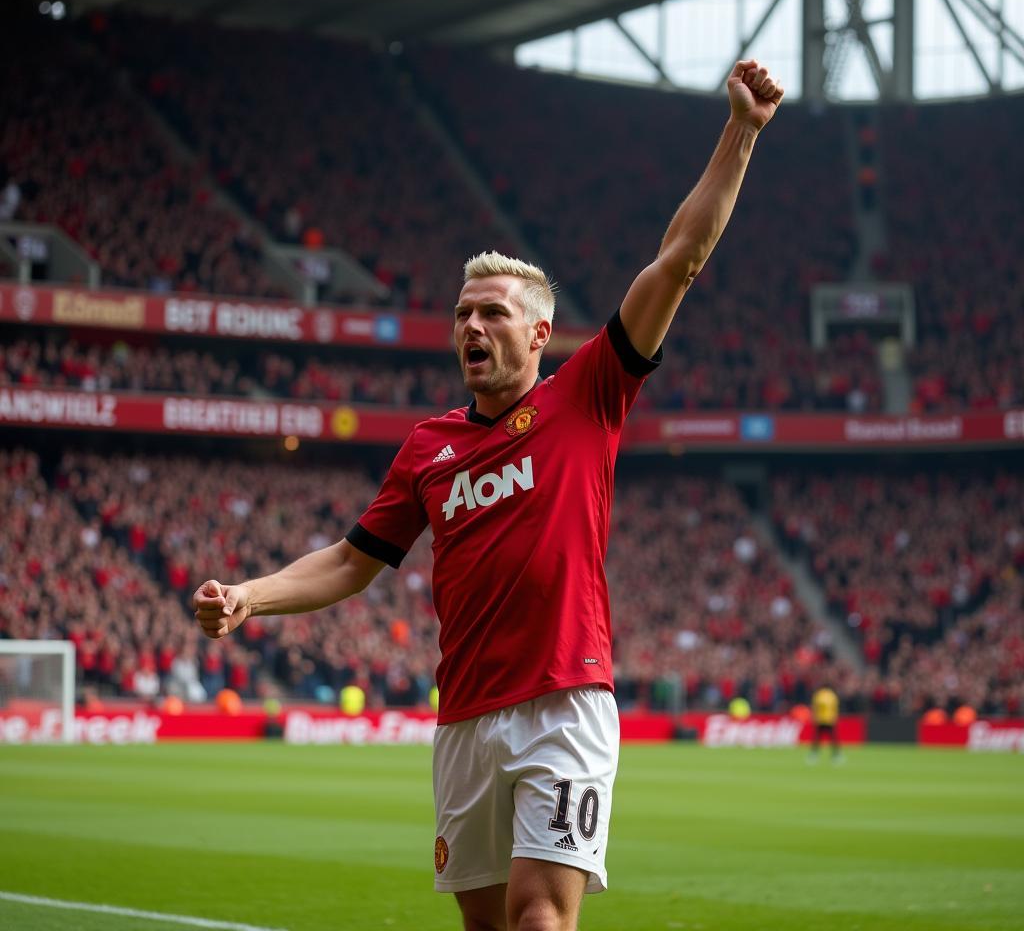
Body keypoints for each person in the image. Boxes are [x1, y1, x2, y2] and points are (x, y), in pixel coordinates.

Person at [193, 59, 784, 931]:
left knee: (540, 915)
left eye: (494, 313)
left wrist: (741, 131)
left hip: (565, 702)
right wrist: (251, 595)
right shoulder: (428, 447)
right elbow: (354, 561)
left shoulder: (589, 392)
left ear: (541, 333)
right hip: (465, 717)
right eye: (464, 313)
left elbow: (680, 260)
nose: (472, 326)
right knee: (486, 926)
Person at [809, 684, 842, 763]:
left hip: (820, 719)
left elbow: (814, 707)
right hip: (830, 719)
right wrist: (835, 718)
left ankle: (813, 755)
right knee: (833, 739)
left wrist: (814, 717)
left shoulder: (818, 695)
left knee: (817, 738)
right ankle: (836, 755)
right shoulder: (832, 695)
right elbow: (835, 707)